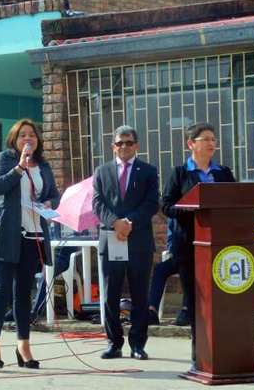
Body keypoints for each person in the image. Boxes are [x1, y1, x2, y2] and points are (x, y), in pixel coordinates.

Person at [0, 118, 59, 370]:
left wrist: (48, 204)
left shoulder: (43, 166)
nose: (28, 139)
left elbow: (53, 195)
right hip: (6, 234)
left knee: (23, 294)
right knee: (1, 290)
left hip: (33, 235)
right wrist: (19, 168)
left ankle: (23, 345)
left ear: (38, 140)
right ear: (14, 139)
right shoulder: (4, 159)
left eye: (32, 135)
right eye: (23, 135)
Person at [162, 123, 236, 370]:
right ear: (191, 144)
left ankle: (225, 351)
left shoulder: (223, 173)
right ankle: (200, 355)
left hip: (222, 247)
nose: (211, 143)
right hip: (190, 246)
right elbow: (167, 206)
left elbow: (237, 202)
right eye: (206, 139)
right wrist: (189, 209)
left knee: (223, 300)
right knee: (196, 301)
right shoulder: (180, 173)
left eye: (213, 139)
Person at [92, 125, 159, 361]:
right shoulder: (101, 171)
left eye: (128, 143)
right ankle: (113, 342)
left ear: (136, 146)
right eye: (119, 143)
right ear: (113, 146)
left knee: (140, 294)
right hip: (111, 239)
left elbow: (152, 203)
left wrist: (129, 223)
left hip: (138, 239)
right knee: (111, 294)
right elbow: (98, 203)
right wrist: (115, 223)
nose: (124, 147)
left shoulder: (148, 171)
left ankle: (138, 344)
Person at [147, 218, 191, 326]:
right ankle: (152, 310)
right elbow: (171, 237)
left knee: (186, 270)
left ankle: (186, 310)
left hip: (193, 258)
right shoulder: (172, 214)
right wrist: (173, 249)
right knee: (159, 270)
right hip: (179, 255)